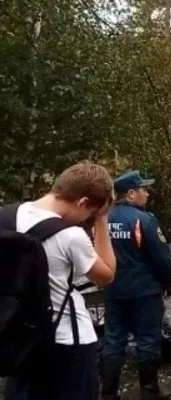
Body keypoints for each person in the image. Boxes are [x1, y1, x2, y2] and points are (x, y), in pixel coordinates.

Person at [4, 162, 117, 400]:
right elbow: (106, 275)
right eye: (89, 213)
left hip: (18, 338)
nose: (86, 219)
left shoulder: (5, 217)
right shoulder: (70, 235)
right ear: (83, 202)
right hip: (68, 340)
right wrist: (101, 219)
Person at [102, 171, 171, 400]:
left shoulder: (103, 219)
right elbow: (162, 258)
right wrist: (168, 283)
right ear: (131, 193)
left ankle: (108, 393)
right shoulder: (144, 220)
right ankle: (149, 390)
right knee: (148, 339)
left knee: (113, 340)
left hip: (113, 290)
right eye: (144, 189)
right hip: (145, 291)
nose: (147, 193)